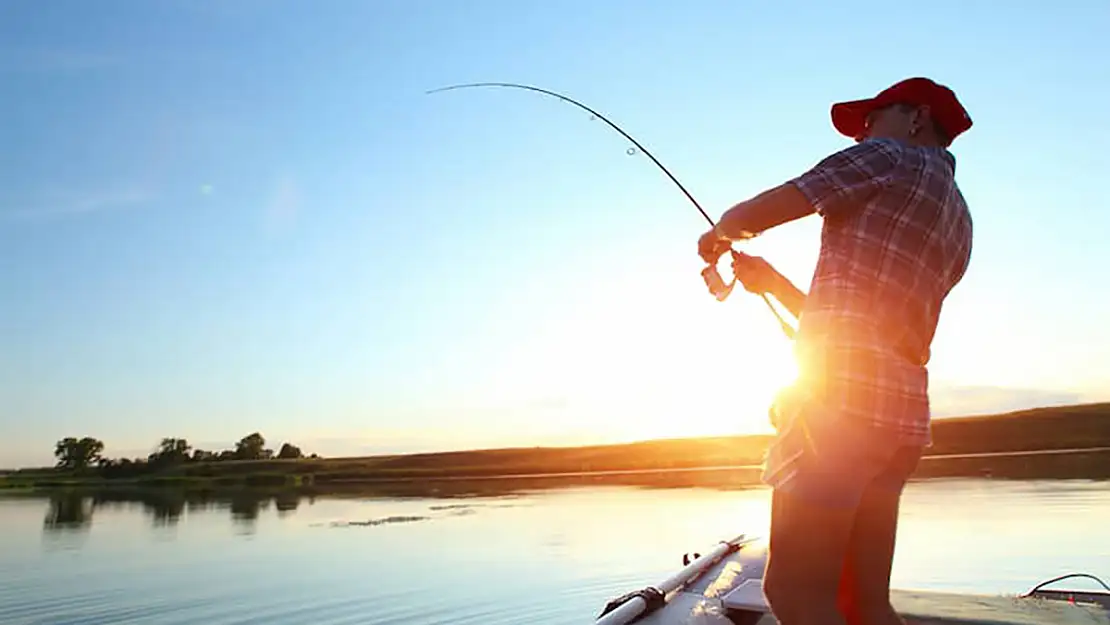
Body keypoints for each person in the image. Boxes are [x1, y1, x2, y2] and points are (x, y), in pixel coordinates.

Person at [696, 77, 975, 625]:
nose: (863, 135)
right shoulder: (960, 218)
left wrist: (722, 232)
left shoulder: (886, 157)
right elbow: (865, 323)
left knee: (796, 594)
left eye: (872, 120)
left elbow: (776, 203)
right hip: (900, 419)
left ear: (916, 118)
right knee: (865, 603)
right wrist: (773, 284)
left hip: (839, 412)